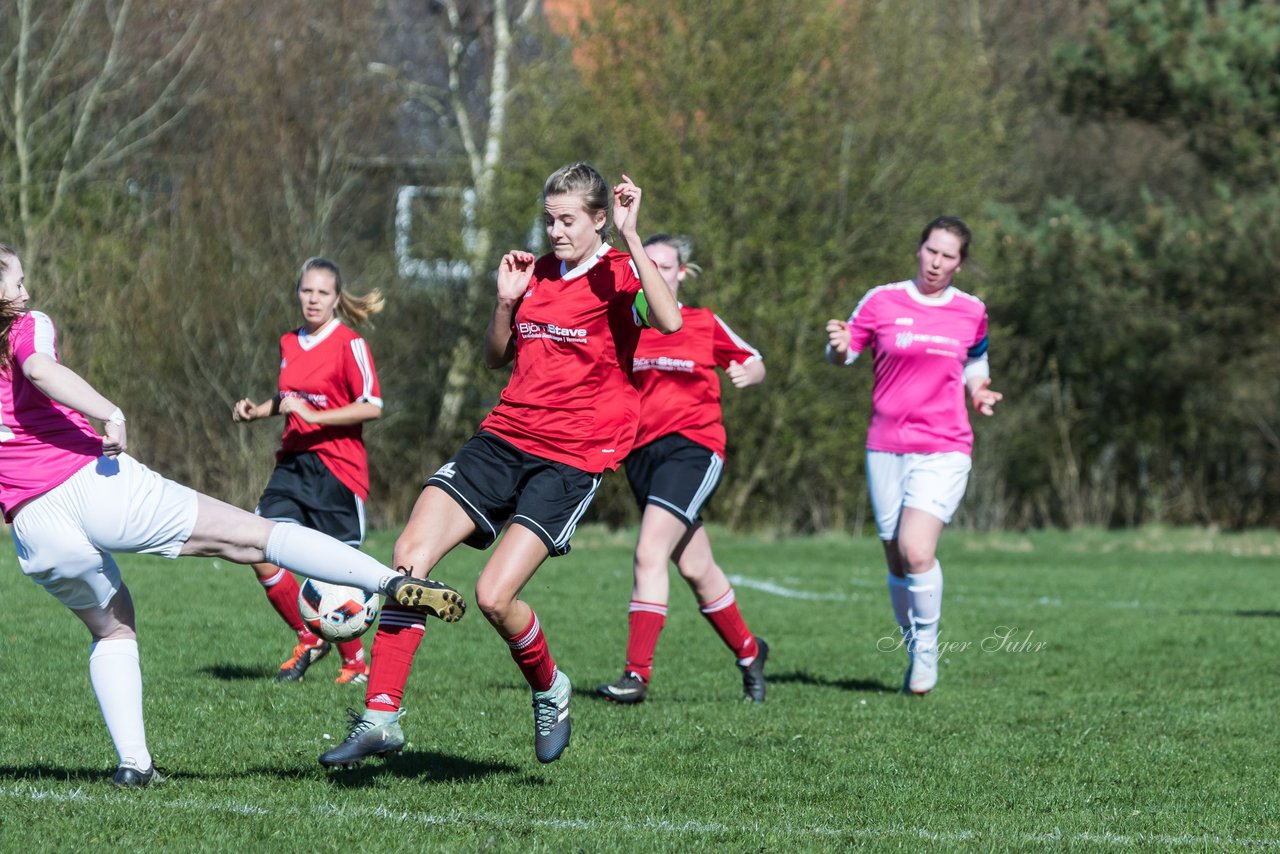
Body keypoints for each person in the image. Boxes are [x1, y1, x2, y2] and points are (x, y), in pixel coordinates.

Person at [0, 243, 464, 788]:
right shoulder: (26, 326)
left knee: (113, 628)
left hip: (33, 522)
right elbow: (40, 368)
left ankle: (136, 765)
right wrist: (110, 412)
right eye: (14, 282)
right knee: (258, 537)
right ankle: (389, 581)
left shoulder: (344, 343)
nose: (25, 292)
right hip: (92, 482)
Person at [319, 163, 682, 769]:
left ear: (599, 219)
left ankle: (549, 686)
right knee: (410, 555)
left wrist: (632, 235)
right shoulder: (533, 272)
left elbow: (669, 321)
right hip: (503, 437)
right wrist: (504, 302)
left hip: (571, 457)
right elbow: (496, 357)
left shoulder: (620, 274)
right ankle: (381, 716)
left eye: (569, 220)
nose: (556, 231)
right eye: (549, 219)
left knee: (493, 596)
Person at [824, 216, 1001, 695]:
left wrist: (979, 391)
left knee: (917, 549)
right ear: (919, 248)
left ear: (960, 263)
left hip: (944, 446)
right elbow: (846, 351)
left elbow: (975, 359)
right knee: (896, 558)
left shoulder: (971, 310)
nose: (936, 263)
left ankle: (926, 650)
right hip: (885, 447)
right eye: (931, 251)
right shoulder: (882, 300)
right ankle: (913, 649)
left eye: (948, 256)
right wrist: (837, 347)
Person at [595, 234, 769, 705]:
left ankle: (636, 675)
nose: (659, 273)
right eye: (648, 265)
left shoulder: (701, 321)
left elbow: (752, 360)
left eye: (667, 266)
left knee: (649, 551)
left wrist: (749, 373)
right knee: (695, 566)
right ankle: (751, 652)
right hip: (641, 456)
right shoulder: (628, 322)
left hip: (694, 447)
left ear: (682, 273)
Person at [233, 257, 386, 685]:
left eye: (322, 292)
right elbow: (289, 400)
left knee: (336, 571)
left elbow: (372, 405)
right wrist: (256, 411)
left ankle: (356, 664)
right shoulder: (288, 342)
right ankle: (309, 637)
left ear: (337, 298)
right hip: (294, 463)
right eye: (307, 291)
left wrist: (317, 419)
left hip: (338, 469)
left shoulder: (350, 344)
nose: (313, 299)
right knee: (254, 544)